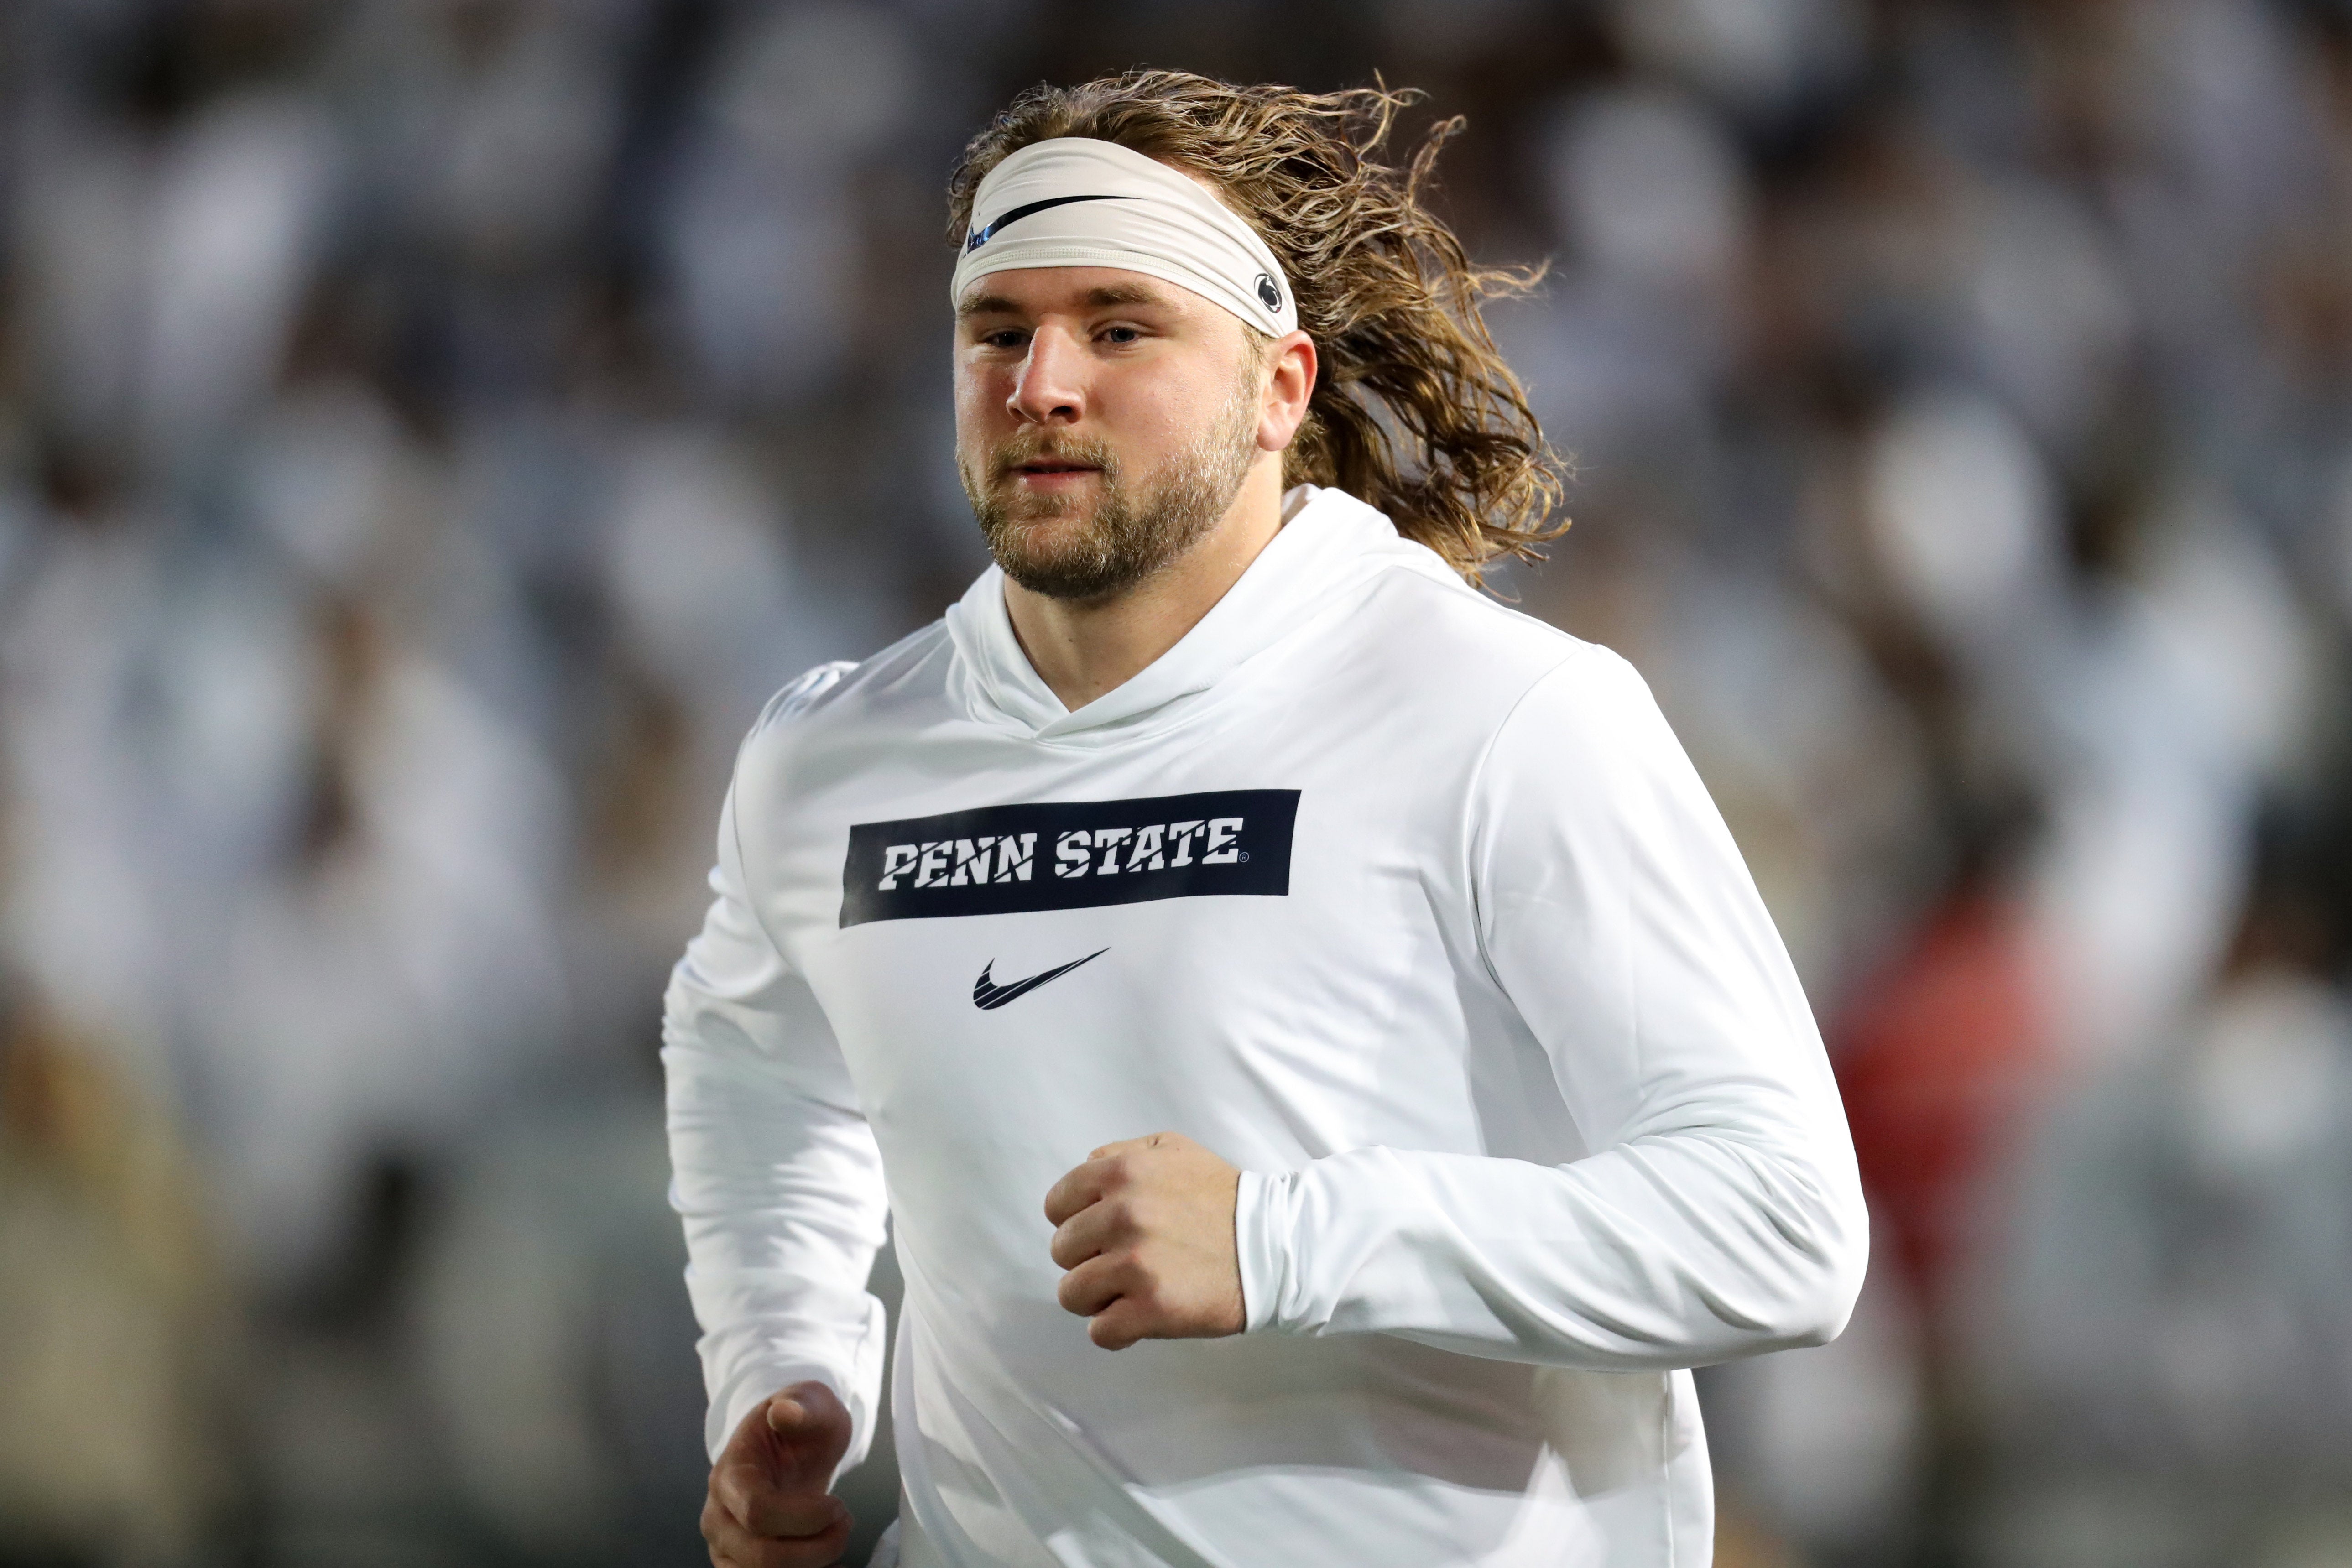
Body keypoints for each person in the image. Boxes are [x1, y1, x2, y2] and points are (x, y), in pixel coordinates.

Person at [664, 71, 1866, 1568]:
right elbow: (757, 1072)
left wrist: (1281, 1240)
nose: (1041, 382)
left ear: (1277, 391)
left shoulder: (1501, 718)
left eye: (1118, 327)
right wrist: (783, 1362)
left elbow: (1780, 1228)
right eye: (998, 331)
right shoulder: (833, 761)